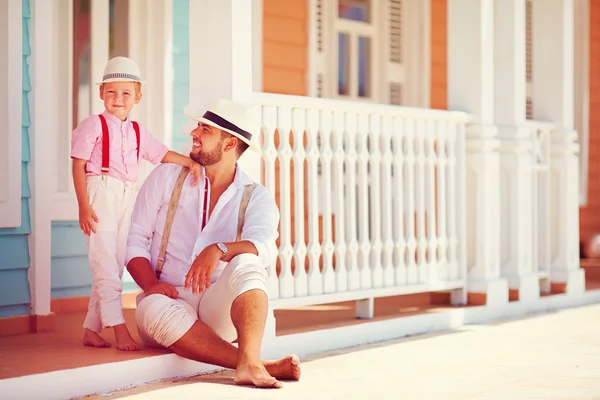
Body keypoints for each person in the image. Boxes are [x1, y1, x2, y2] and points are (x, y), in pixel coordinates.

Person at [126, 98, 301, 388]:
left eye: (205, 129)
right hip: (167, 300)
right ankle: (252, 363)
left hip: (217, 308)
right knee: (150, 308)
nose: (194, 134)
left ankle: (250, 362)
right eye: (198, 126)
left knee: (249, 262)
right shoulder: (166, 178)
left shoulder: (255, 196)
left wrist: (219, 249)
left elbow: (265, 247)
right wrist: (150, 285)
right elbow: (135, 241)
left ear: (230, 144)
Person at [71, 56, 202, 351]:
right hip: (99, 193)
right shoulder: (93, 125)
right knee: (104, 264)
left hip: (127, 196)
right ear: (101, 92)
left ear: (138, 96)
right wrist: (83, 205)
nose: (118, 99)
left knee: (115, 265)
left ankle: (91, 329)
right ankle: (119, 330)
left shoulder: (138, 132)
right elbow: (78, 165)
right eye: (112, 92)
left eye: (126, 93)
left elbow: (162, 154)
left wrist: (192, 163)